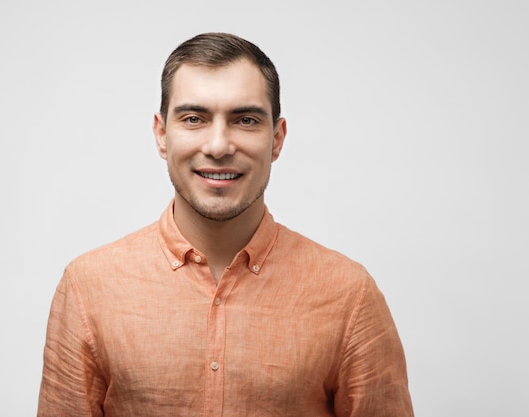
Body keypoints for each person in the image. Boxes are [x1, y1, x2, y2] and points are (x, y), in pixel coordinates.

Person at [37, 32, 414, 417]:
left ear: (277, 139)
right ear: (162, 134)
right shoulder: (88, 287)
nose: (218, 146)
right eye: (194, 118)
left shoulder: (349, 295)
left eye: (246, 120)